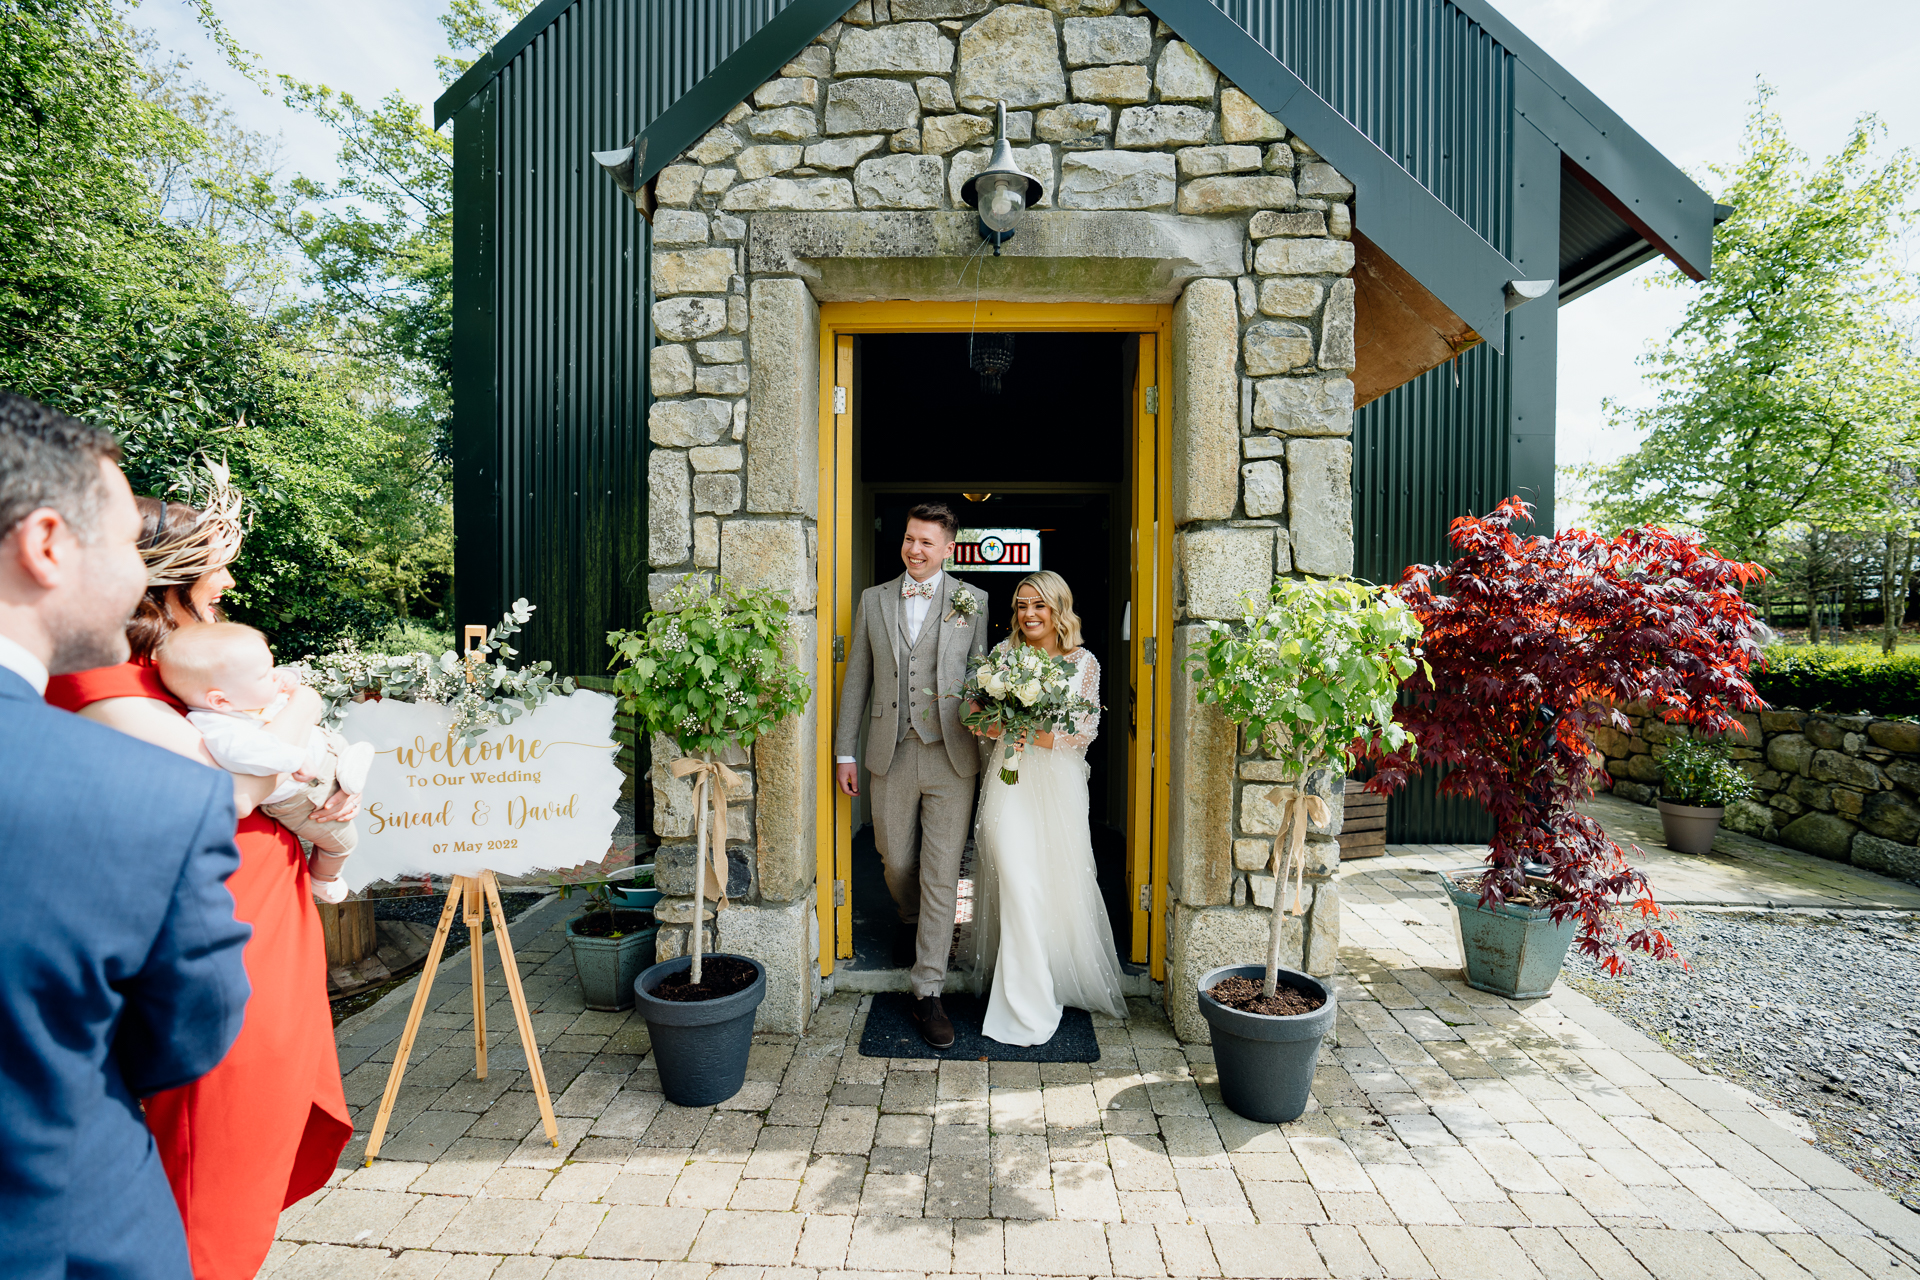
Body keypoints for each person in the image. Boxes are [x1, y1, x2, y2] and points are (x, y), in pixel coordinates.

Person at [46, 463, 354, 1280]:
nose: (227, 581)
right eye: (213, 564)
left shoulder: (176, 674)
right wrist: (297, 716)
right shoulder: (102, 681)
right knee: (209, 1163)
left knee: (248, 1145)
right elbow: (210, 799)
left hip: (263, 918)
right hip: (218, 937)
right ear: (166, 579)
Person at [0, 392, 254, 1280]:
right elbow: (186, 1034)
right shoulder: (147, 797)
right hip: (65, 1235)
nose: (137, 576)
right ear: (46, 545)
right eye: (119, 546)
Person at [834, 502, 990, 1048]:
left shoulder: (974, 601)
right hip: (890, 751)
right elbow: (857, 677)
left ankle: (928, 991)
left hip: (952, 754)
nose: (915, 550)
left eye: (927, 542)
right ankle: (912, 918)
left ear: (949, 548)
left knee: (943, 871)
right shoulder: (874, 600)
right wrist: (843, 753)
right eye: (909, 539)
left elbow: (982, 677)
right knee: (895, 856)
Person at [968, 570, 1127, 1046]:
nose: (1029, 614)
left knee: (1049, 884)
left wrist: (1027, 732)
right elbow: (976, 717)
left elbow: (1084, 733)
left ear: (1059, 610)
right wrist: (998, 728)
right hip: (1009, 783)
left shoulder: (1084, 663)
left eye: (1039, 605)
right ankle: (1023, 1002)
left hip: (1058, 785)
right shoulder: (1003, 657)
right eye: (1021, 605)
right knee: (1017, 880)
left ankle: (1049, 979)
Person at [156, 620, 375, 902]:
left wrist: (289, 679)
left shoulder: (241, 695)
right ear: (219, 701)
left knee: (339, 746)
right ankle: (324, 880)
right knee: (343, 843)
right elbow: (251, 752)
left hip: (322, 756)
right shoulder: (220, 729)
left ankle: (346, 768)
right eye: (265, 675)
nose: (274, 676)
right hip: (302, 795)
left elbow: (280, 682)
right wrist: (297, 759)